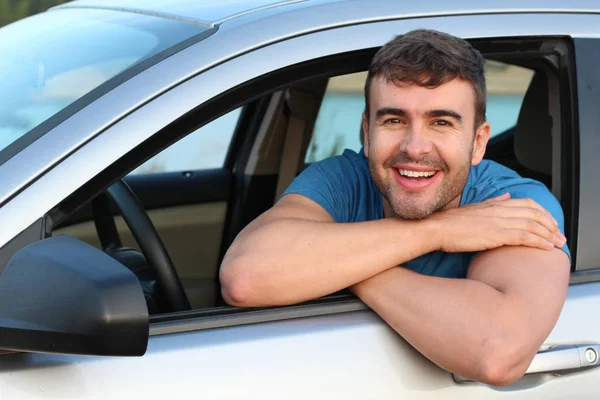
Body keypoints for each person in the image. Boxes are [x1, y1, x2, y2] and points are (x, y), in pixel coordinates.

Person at [219, 29, 571, 386]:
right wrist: (442, 230)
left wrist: (339, 271)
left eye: (441, 122)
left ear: (478, 142)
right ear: (367, 134)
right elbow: (245, 278)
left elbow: (496, 353)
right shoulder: (344, 178)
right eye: (394, 120)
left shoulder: (515, 205)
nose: (415, 147)